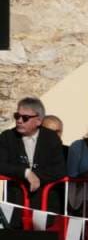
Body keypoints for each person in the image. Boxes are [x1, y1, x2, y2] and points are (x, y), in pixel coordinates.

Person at [0, 97, 65, 226]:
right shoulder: (7, 136)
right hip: (15, 203)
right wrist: (25, 173)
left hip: (45, 204)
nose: (19, 121)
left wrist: (36, 177)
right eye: (17, 116)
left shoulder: (51, 138)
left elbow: (59, 169)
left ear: (39, 121)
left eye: (25, 118)